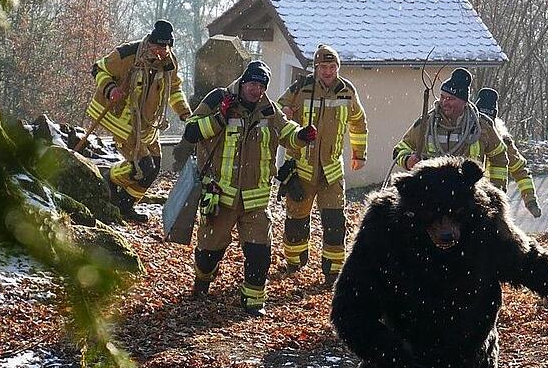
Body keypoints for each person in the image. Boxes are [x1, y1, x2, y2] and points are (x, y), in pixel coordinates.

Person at [181, 61, 316, 316]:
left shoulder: (269, 110)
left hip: (256, 200)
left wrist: (302, 136)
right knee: (209, 253)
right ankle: (202, 282)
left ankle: (253, 301)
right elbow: (191, 132)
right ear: (243, 82)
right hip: (220, 197)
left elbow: (287, 130)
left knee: (260, 254)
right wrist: (220, 117)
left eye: (262, 85)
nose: (256, 90)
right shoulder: (219, 99)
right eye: (252, 84)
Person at [276, 45, 368, 286]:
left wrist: (359, 153)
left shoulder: (347, 91)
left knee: (335, 222)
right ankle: (294, 263)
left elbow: (358, 121)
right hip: (301, 166)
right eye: (323, 67)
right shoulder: (300, 88)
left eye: (332, 67)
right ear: (316, 68)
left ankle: (333, 272)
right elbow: (275, 113)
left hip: (332, 170)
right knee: (296, 219)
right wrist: (285, 111)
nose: (328, 72)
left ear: (338, 67)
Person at [86, 19, 192, 221]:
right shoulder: (128, 53)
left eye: (165, 47)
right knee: (143, 167)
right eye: (157, 46)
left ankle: (125, 205)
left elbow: (174, 89)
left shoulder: (170, 62)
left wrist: (184, 112)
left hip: (148, 123)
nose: (160, 51)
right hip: (122, 119)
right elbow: (98, 69)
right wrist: (111, 89)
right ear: (150, 42)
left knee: (154, 168)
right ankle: (109, 177)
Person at [393, 68, 508, 189]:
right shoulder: (425, 124)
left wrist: (496, 190)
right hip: (430, 193)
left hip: (468, 194)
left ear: (464, 102)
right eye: (442, 97)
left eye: (451, 99)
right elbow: (399, 150)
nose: (444, 102)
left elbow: (499, 156)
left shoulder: (482, 126)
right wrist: (408, 161)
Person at [475, 88, 543, 218]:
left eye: (488, 120)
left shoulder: (503, 141)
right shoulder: (466, 135)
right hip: (472, 195)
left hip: (494, 200)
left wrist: (531, 201)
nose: (484, 125)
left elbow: (520, 170)